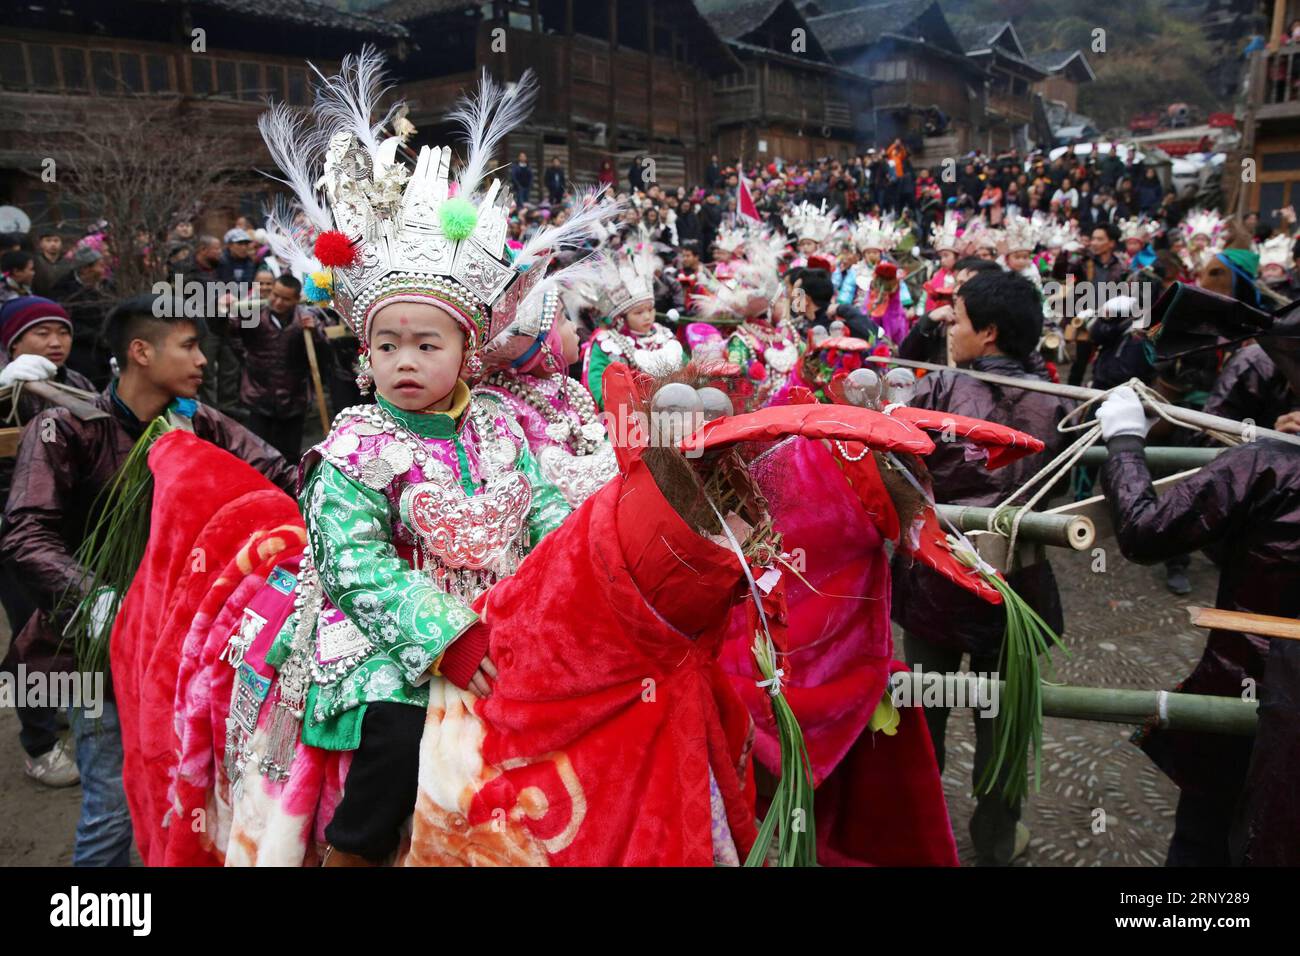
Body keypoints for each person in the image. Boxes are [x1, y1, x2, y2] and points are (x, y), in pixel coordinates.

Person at [0, 293, 295, 866]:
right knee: (112, 808)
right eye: (187, 346)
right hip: (91, 651)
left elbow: (279, 472)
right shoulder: (66, 428)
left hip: (183, 649)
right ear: (140, 352)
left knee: (182, 797)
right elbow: (26, 535)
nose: (203, 359)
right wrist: (102, 603)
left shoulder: (199, 424)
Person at [892, 269, 1075, 866]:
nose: (949, 325)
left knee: (924, 718)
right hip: (1014, 586)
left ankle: (921, 840)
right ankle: (996, 839)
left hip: (938, 584)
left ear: (989, 332)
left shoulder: (943, 388)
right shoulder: (1061, 400)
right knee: (1003, 724)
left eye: (959, 317)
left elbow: (896, 457)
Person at [1096, 387, 1300, 866]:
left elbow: (1146, 533)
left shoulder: (1267, 466)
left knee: (1204, 841)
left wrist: (1124, 443)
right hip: (1256, 695)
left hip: (1251, 697)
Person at [0, 296, 95, 788]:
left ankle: (57, 704)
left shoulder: (74, 383)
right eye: (41, 333)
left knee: (66, 621)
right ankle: (38, 746)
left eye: (62, 331)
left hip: (72, 528)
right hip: (16, 535)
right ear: (14, 341)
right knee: (30, 631)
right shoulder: (7, 386)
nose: (56, 341)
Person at [229, 273, 325, 463]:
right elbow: (231, 333)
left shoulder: (306, 320)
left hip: (294, 397)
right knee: (257, 453)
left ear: (297, 300)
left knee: (289, 455)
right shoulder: (254, 315)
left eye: (285, 298)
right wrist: (247, 357)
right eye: (275, 295)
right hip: (259, 394)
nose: (278, 301)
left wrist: (315, 334)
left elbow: (323, 355)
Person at [50, 246, 113, 388]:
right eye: (100, 266)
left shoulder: (106, 285)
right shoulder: (65, 290)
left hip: (105, 346)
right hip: (82, 350)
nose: (104, 269)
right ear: (86, 269)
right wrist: (97, 336)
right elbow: (67, 322)